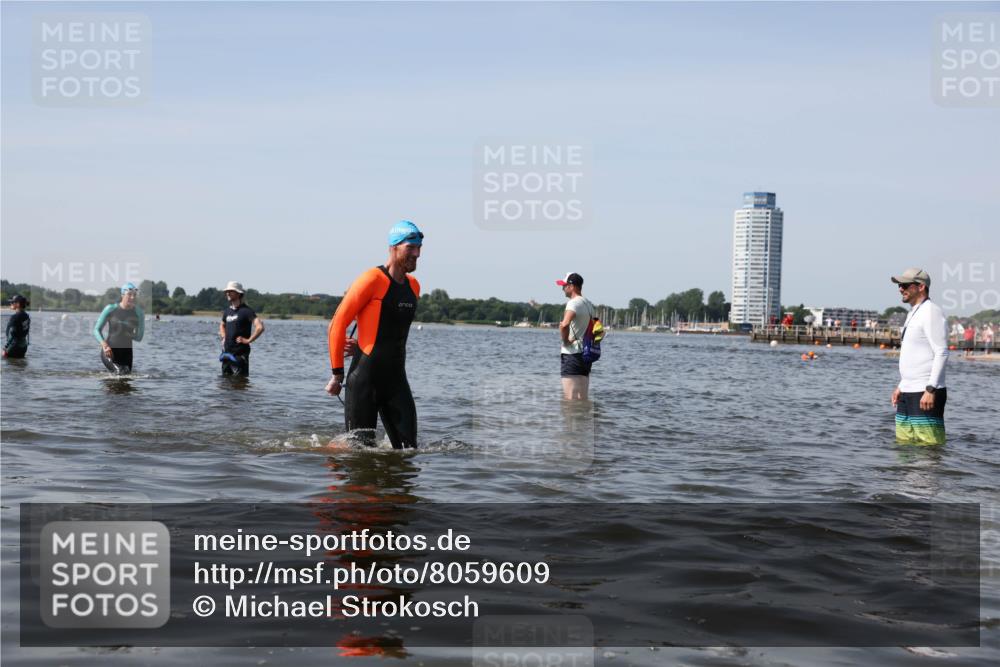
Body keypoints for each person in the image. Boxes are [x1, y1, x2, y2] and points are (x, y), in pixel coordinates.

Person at [325, 220, 423, 449]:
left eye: (419, 248)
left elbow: (384, 328)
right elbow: (337, 325)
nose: (417, 254)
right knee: (359, 451)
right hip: (364, 380)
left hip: (396, 380)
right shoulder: (371, 279)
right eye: (411, 247)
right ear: (394, 246)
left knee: (409, 449)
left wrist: (359, 343)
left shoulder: (414, 286)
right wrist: (336, 374)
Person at [890, 268, 949, 445]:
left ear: (921, 287)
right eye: (900, 285)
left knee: (929, 448)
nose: (900, 288)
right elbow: (914, 353)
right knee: (904, 446)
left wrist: (931, 389)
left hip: (925, 391)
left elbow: (941, 351)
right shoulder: (913, 313)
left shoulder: (931, 311)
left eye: (905, 285)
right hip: (908, 390)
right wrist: (902, 385)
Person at [557, 272, 596, 400]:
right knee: (582, 398)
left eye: (564, 285)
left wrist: (565, 341)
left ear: (572, 286)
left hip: (572, 354)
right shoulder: (589, 304)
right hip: (586, 354)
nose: (563, 288)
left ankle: (570, 420)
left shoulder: (573, 303)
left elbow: (564, 325)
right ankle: (583, 420)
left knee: (570, 398)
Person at [94, 283, 145, 374]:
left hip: (127, 353)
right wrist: (105, 346)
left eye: (134, 295)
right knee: (120, 372)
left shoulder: (139, 313)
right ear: (122, 295)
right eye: (129, 294)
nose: (132, 297)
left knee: (126, 380)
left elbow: (139, 337)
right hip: (109, 351)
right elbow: (96, 330)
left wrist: (126, 333)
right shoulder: (110, 309)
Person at [219, 281, 264, 377]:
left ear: (238, 293)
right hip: (226, 354)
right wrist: (223, 337)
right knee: (224, 385)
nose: (227, 293)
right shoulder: (227, 311)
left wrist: (248, 340)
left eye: (231, 291)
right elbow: (222, 325)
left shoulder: (247, 311)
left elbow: (260, 327)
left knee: (240, 385)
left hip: (240, 356)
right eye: (227, 291)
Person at [3, 294, 31, 359]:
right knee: (19, 366)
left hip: (13, 346)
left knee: (9, 365)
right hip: (24, 347)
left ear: (18, 304)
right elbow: (26, 332)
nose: (11, 304)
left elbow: (12, 333)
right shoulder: (27, 316)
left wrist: (6, 348)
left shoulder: (14, 317)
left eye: (12, 302)